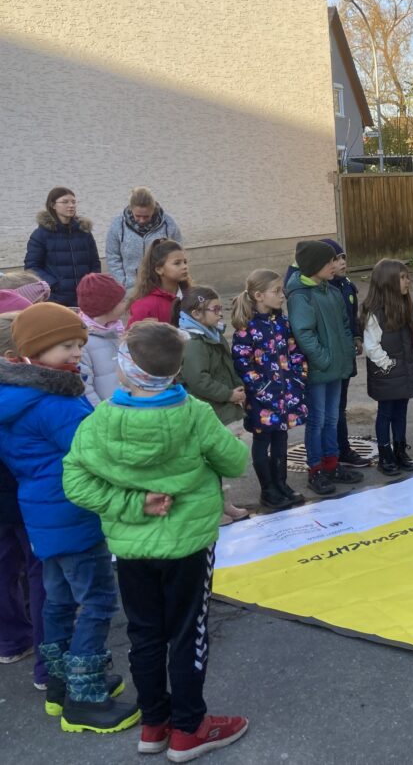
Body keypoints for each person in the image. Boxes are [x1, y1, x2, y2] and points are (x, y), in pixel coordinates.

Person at [63, 321, 250, 761]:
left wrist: (132, 504)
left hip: (132, 549)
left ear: (124, 369)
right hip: (188, 545)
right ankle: (189, 727)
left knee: (145, 633)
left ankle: (155, 723)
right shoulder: (195, 414)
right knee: (188, 633)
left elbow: (75, 482)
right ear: (176, 371)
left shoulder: (101, 420)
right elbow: (236, 462)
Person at [0, 302, 136, 732]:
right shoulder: (54, 401)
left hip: (41, 515)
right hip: (73, 513)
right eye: (65, 346)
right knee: (97, 601)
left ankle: (60, 684)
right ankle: (85, 697)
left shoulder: (15, 395)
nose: (76, 352)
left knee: (59, 600)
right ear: (33, 350)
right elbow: (95, 456)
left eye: (79, 343)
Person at [285, 241, 362, 496]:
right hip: (320, 370)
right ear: (315, 265)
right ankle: (316, 469)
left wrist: (346, 352)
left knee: (332, 418)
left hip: (336, 367)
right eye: (329, 262)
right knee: (317, 420)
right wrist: (325, 359)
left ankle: (332, 463)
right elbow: (304, 334)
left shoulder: (331, 290)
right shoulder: (301, 296)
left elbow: (344, 323)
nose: (334, 265)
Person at [0, 307, 50, 695]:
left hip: (11, 497)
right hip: (25, 497)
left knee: (5, 567)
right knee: (42, 576)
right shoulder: (27, 396)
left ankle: (11, 639)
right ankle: (49, 665)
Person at [230, 269, 307, 509]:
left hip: (285, 395)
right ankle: (268, 490)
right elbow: (242, 363)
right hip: (262, 400)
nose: (282, 295)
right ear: (259, 295)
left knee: (281, 439)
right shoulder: (246, 328)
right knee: (262, 441)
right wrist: (261, 389)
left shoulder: (281, 322)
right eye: (276, 291)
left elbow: (294, 351)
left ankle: (281, 484)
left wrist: (299, 377)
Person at [177, 287, 250, 524]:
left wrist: (238, 387)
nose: (220, 313)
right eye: (215, 309)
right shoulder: (194, 343)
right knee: (207, 464)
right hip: (209, 409)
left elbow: (226, 367)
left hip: (218, 407)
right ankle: (212, 510)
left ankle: (223, 503)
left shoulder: (211, 334)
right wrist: (228, 394)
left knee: (216, 462)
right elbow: (197, 380)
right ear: (196, 313)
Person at [361, 259, 413, 476]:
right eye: (403, 278)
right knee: (385, 413)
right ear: (388, 282)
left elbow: (412, 339)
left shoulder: (404, 307)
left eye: (408, 277)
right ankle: (385, 454)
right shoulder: (375, 314)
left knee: (401, 412)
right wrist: (388, 364)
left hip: (404, 371)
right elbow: (371, 346)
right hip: (387, 374)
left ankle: (400, 450)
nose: (408, 281)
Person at [320, 239, 369, 469]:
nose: (341, 263)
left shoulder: (348, 286)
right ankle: (336, 450)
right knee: (332, 409)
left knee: (340, 406)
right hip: (331, 358)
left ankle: (341, 448)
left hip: (346, 354)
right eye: (335, 259)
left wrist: (357, 337)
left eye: (343, 258)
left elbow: (352, 316)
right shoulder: (323, 290)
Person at [24, 187, 101, 308]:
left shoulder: (84, 232)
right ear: (53, 205)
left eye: (73, 202)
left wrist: (92, 282)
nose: (71, 205)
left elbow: (95, 262)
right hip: (56, 298)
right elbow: (32, 267)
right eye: (65, 202)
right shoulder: (41, 234)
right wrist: (54, 284)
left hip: (85, 296)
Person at [104, 187, 184, 289]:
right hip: (130, 288)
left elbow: (178, 252)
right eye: (137, 216)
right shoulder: (117, 225)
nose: (141, 220)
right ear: (131, 209)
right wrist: (122, 283)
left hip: (162, 286)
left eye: (146, 216)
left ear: (153, 210)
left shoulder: (168, 224)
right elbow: (113, 256)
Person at [76, 273, 127, 406]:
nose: (126, 304)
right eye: (122, 301)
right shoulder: (82, 343)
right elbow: (85, 388)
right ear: (107, 305)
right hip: (106, 412)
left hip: (124, 407)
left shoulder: (117, 330)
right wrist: (101, 413)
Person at [128, 239, 190, 326]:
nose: (184, 266)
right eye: (177, 263)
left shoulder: (192, 296)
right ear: (159, 270)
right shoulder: (144, 306)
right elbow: (133, 334)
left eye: (185, 262)